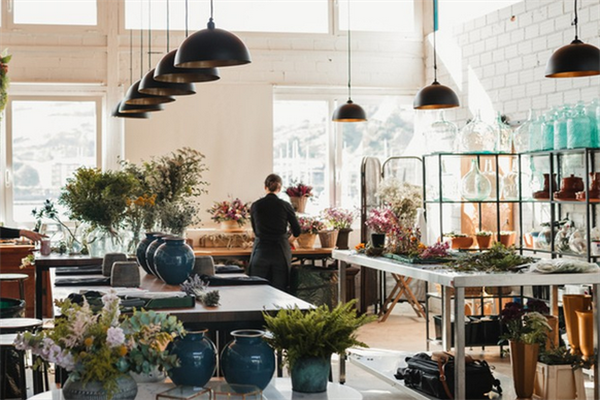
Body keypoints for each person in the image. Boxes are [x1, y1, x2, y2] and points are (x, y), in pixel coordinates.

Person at [248, 173, 301, 292]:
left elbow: (256, 231)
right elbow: (297, 230)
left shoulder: (256, 206)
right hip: (280, 252)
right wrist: (290, 240)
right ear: (280, 188)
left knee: (257, 289)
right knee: (280, 291)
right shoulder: (285, 205)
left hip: (261, 250)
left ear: (265, 187)